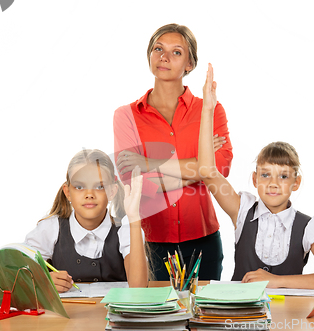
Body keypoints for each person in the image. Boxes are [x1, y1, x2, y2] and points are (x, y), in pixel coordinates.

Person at [198, 64, 314, 289]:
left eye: (283, 176)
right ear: (254, 180)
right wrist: (207, 109)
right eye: (265, 175)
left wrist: (277, 282)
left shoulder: (307, 227)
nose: (273, 183)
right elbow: (207, 172)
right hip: (239, 315)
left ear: (296, 183)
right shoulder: (242, 211)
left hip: (287, 316)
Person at [113, 23, 233, 281]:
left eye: (176, 52)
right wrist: (200, 170)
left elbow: (220, 168)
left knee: (203, 318)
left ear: (189, 64)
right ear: (150, 55)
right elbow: (133, 183)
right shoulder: (126, 116)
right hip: (151, 241)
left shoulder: (210, 110)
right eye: (158, 49)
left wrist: (147, 162)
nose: (164, 57)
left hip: (204, 241)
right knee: (156, 318)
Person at [25, 149, 147, 292]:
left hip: (114, 314)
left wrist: (133, 218)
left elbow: (139, 287)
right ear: (68, 192)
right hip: (69, 314)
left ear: (112, 192)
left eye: (99, 186)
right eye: (79, 187)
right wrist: (42, 279)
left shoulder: (126, 229)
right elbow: (16, 273)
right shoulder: (50, 229)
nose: (89, 194)